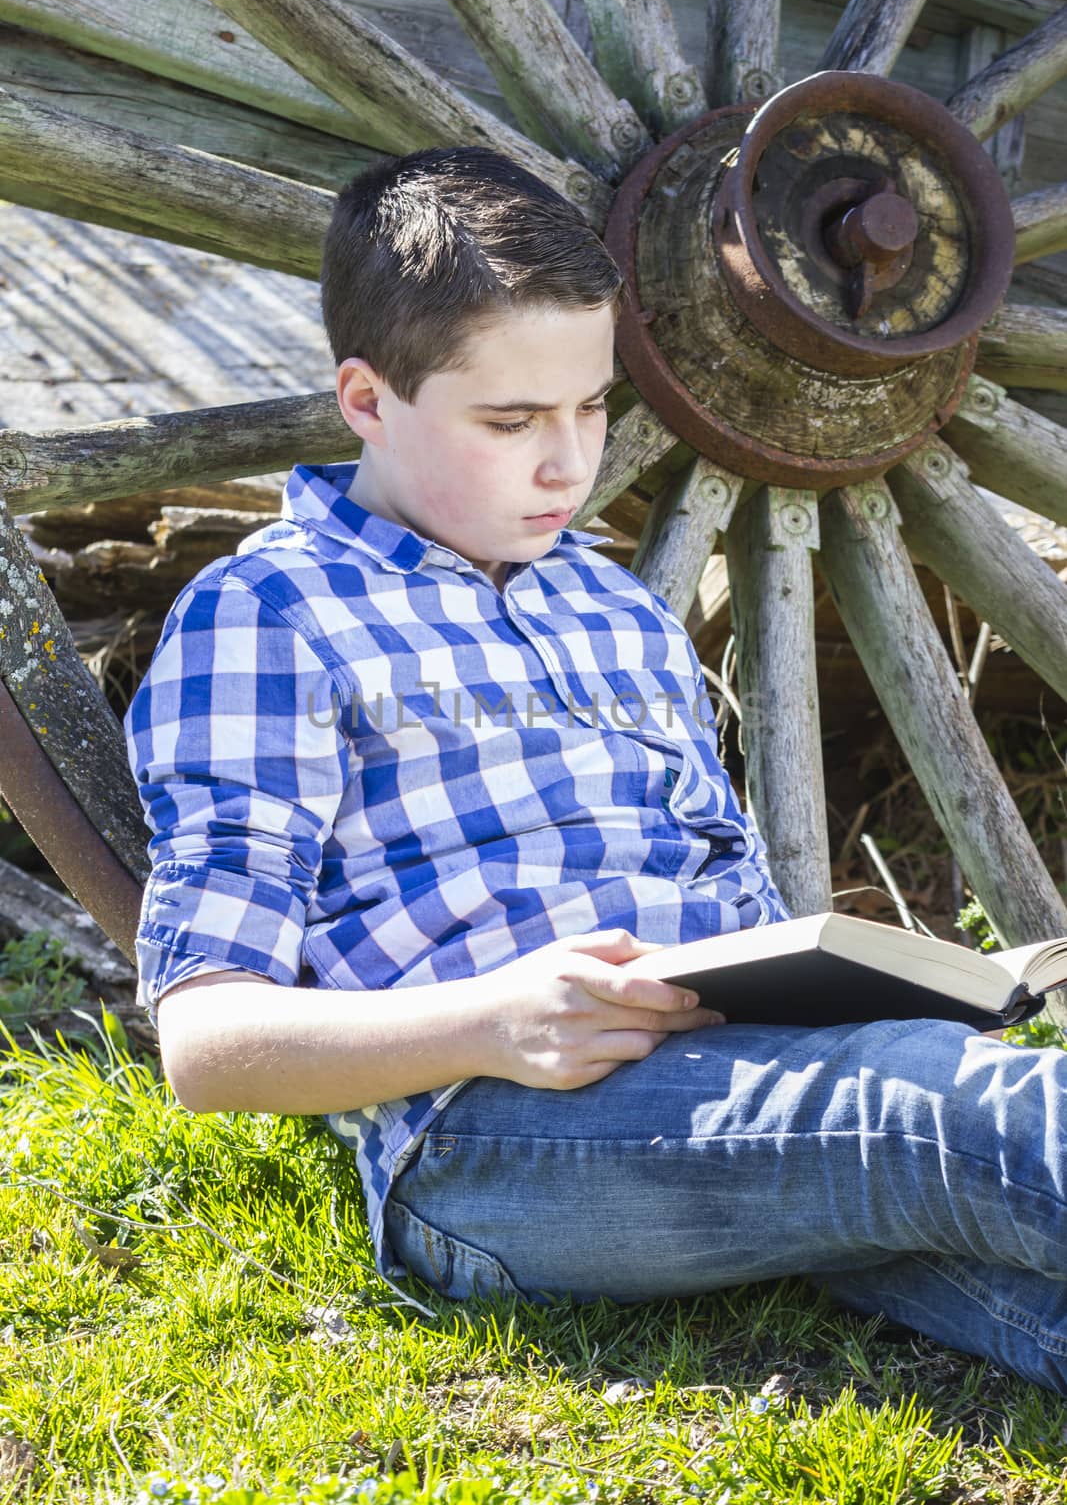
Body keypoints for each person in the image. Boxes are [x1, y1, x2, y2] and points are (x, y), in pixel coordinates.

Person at [125, 145, 1067, 1395]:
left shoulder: (611, 610)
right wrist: (496, 1017)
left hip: (729, 1076)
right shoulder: (268, 615)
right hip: (488, 1139)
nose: (568, 464)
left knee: (1000, 1247)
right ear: (365, 399)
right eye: (510, 422)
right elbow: (205, 1042)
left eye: (590, 407)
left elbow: (728, 907)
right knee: (937, 1115)